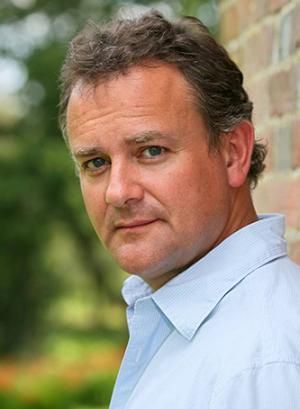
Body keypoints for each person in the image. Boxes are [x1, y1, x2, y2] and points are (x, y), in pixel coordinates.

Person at [59, 10, 300, 409]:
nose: (117, 193)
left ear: (233, 153)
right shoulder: (201, 333)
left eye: (151, 151)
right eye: (96, 163)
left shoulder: (262, 366)